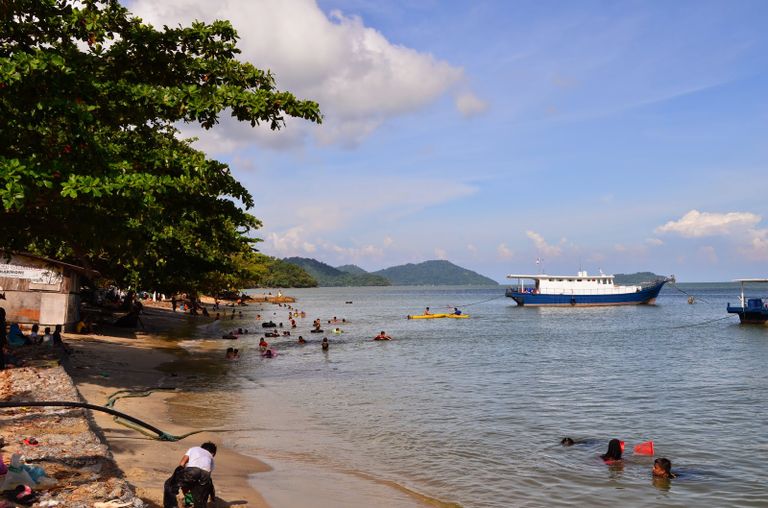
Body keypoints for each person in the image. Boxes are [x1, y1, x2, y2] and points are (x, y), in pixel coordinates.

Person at [163, 442, 217, 508]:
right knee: (199, 499)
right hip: (205, 475)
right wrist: (212, 495)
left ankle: (172, 506)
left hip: (192, 471)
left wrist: (175, 478)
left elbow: (182, 463)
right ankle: (190, 502)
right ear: (213, 453)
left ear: (202, 447)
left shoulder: (194, 449)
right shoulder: (211, 457)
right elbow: (208, 477)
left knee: (169, 484)